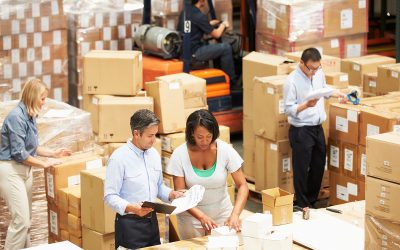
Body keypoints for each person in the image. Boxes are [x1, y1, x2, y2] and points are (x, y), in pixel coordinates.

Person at [0, 78, 71, 250]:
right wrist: (45, 164)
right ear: (32, 96)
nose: (44, 102)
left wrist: (54, 153)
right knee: (21, 221)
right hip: (11, 170)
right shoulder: (17, 118)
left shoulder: (30, 116)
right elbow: (19, 154)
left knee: (27, 222)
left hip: (25, 170)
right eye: (43, 98)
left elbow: (32, 147)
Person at [104, 109, 185, 249]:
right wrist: (132, 208)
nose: (154, 140)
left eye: (155, 135)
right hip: (129, 224)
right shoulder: (119, 159)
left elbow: (158, 186)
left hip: (152, 222)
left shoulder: (153, 154)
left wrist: (171, 194)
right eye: (150, 136)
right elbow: (109, 196)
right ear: (136, 133)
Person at [166, 109, 249, 240]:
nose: (205, 141)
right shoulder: (179, 154)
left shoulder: (225, 150)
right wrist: (201, 217)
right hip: (191, 219)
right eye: (200, 137)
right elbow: (180, 195)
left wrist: (235, 214)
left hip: (223, 215)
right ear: (191, 133)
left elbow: (242, 185)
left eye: (209, 136)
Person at [283, 48, 347, 208]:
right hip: (301, 130)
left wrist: (337, 93)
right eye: (311, 68)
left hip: (317, 128)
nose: (314, 72)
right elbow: (288, 109)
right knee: (301, 169)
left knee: (319, 166)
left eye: (317, 68)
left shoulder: (319, 73)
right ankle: (303, 204)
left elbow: (323, 89)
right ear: (302, 63)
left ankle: (311, 200)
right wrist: (305, 105)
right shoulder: (291, 81)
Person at [177, 0, 237, 84]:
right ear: (201, 1)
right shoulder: (199, 16)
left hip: (185, 51)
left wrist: (209, 24)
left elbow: (195, 24)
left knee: (210, 44)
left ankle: (220, 73)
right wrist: (224, 24)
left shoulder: (186, 11)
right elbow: (217, 34)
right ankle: (231, 81)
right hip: (194, 54)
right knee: (226, 48)